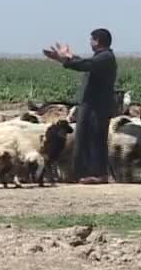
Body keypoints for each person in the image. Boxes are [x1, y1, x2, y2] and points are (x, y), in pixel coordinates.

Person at [43, 29, 117, 184]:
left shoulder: (105, 57)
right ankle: (88, 172)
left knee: (95, 138)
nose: (89, 43)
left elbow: (85, 64)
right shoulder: (101, 58)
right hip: (92, 105)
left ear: (97, 41)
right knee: (87, 137)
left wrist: (63, 59)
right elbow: (85, 63)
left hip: (97, 106)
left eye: (91, 40)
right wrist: (69, 57)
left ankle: (98, 174)